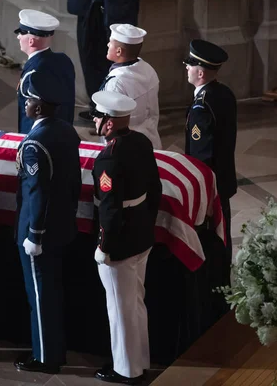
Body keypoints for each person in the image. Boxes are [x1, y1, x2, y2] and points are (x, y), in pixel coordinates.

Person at [90, 91, 161, 385]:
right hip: (141, 231)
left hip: (119, 241)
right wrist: (146, 222)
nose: (94, 121)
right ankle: (139, 361)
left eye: (97, 117)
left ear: (108, 124)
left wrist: (105, 246)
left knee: (120, 308)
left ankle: (126, 370)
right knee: (135, 302)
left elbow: (109, 208)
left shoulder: (109, 156)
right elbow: (155, 188)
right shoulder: (142, 142)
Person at [14, 71, 82, 374]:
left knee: (40, 296)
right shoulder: (67, 131)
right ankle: (54, 350)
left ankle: (46, 357)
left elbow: (37, 192)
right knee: (52, 292)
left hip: (41, 232)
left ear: (38, 107)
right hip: (63, 224)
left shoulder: (35, 143)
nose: (24, 104)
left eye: (28, 100)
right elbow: (73, 184)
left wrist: (34, 234)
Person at [183, 39, 237, 280]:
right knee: (223, 232)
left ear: (201, 73)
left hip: (210, 187)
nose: (186, 67)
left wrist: (200, 195)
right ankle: (222, 275)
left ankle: (215, 283)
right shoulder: (224, 93)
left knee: (212, 235)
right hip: (224, 178)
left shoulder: (201, 109)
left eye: (190, 65)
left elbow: (200, 157)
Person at [68, 0, 142, 122]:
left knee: (118, 62)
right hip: (87, 2)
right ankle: (97, 107)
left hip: (118, 6)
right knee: (89, 58)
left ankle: (115, 114)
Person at [97, 24, 161, 149]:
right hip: (150, 139)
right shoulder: (149, 70)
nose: (107, 45)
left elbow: (111, 122)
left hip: (124, 147)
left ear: (119, 51)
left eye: (110, 43)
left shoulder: (116, 82)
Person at [15, 9, 76, 134]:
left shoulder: (33, 73)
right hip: (64, 131)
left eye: (21, 33)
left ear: (31, 41)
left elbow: (33, 116)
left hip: (38, 136)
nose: (18, 36)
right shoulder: (63, 60)